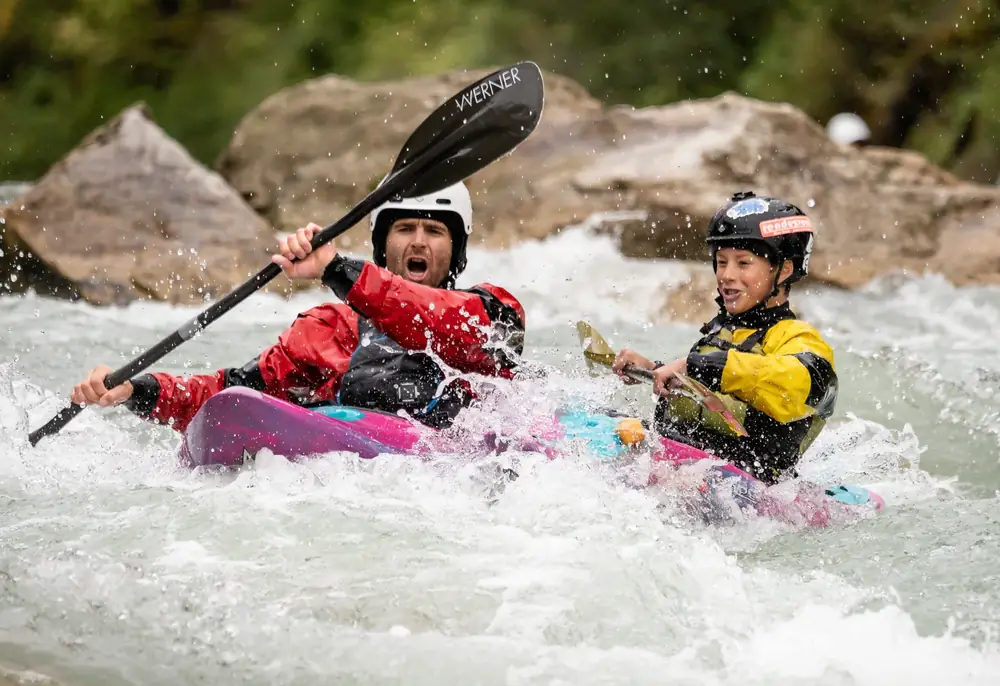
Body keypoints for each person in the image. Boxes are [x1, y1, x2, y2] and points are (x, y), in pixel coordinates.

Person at [69, 181, 526, 432]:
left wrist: (335, 269)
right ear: (384, 246)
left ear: (457, 249)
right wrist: (139, 390)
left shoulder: (492, 312)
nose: (419, 241)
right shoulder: (330, 328)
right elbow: (233, 394)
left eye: (435, 231)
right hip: (369, 469)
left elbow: (432, 321)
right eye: (404, 228)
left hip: (462, 469)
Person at [612, 191, 837, 485]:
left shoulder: (799, 338)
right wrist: (654, 370)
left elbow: (801, 384)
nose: (726, 275)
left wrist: (696, 366)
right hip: (689, 463)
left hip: (748, 489)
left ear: (784, 270)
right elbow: (711, 390)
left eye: (743, 263)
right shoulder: (723, 333)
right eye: (721, 262)